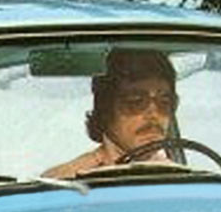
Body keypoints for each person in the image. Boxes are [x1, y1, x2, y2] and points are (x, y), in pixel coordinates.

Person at [43, 48, 180, 179]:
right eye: (136, 101)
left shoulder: (181, 180)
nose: (154, 114)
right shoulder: (68, 182)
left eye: (165, 102)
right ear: (106, 110)